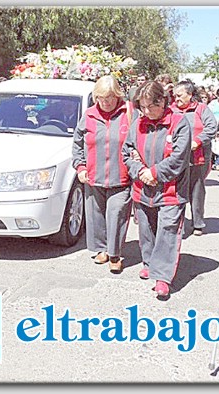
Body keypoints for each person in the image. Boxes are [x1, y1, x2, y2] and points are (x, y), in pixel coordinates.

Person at [122, 81, 191, 297]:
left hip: (171, 190)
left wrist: (155, 173)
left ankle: (162, 277)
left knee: (167, 230)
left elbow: (179, 158)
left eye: (149, 106)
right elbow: (127, 151)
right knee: (146, 228)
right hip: (143, 188)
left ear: (161, 102)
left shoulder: (179, 123)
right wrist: (141, 171)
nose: (145, 111)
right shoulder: (138, 124)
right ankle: (149, 262)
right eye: (141, 107)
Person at [72, 75, 134, 273]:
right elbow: (78, 143)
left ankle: (115, 253)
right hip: (93, 175)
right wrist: (80, 167)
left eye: (110, 98)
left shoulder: (129, 113)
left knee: (116, 213)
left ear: (117, 96)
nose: (106, 102)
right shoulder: (89, 115)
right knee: (96, 215)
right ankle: (101, 249)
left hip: (122, 176)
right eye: (101, 98)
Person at [170, 80, 217, 236]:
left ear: (189, 95)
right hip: (177, 159)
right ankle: (180, 224)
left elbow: (211, 127)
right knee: (178, 192)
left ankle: (198, 222)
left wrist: (198, 141)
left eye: (179, 95)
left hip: (198, 158)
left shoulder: (201, 109)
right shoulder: (171, 110)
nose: (176, 98)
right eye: (174, 95)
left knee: (197, 190)